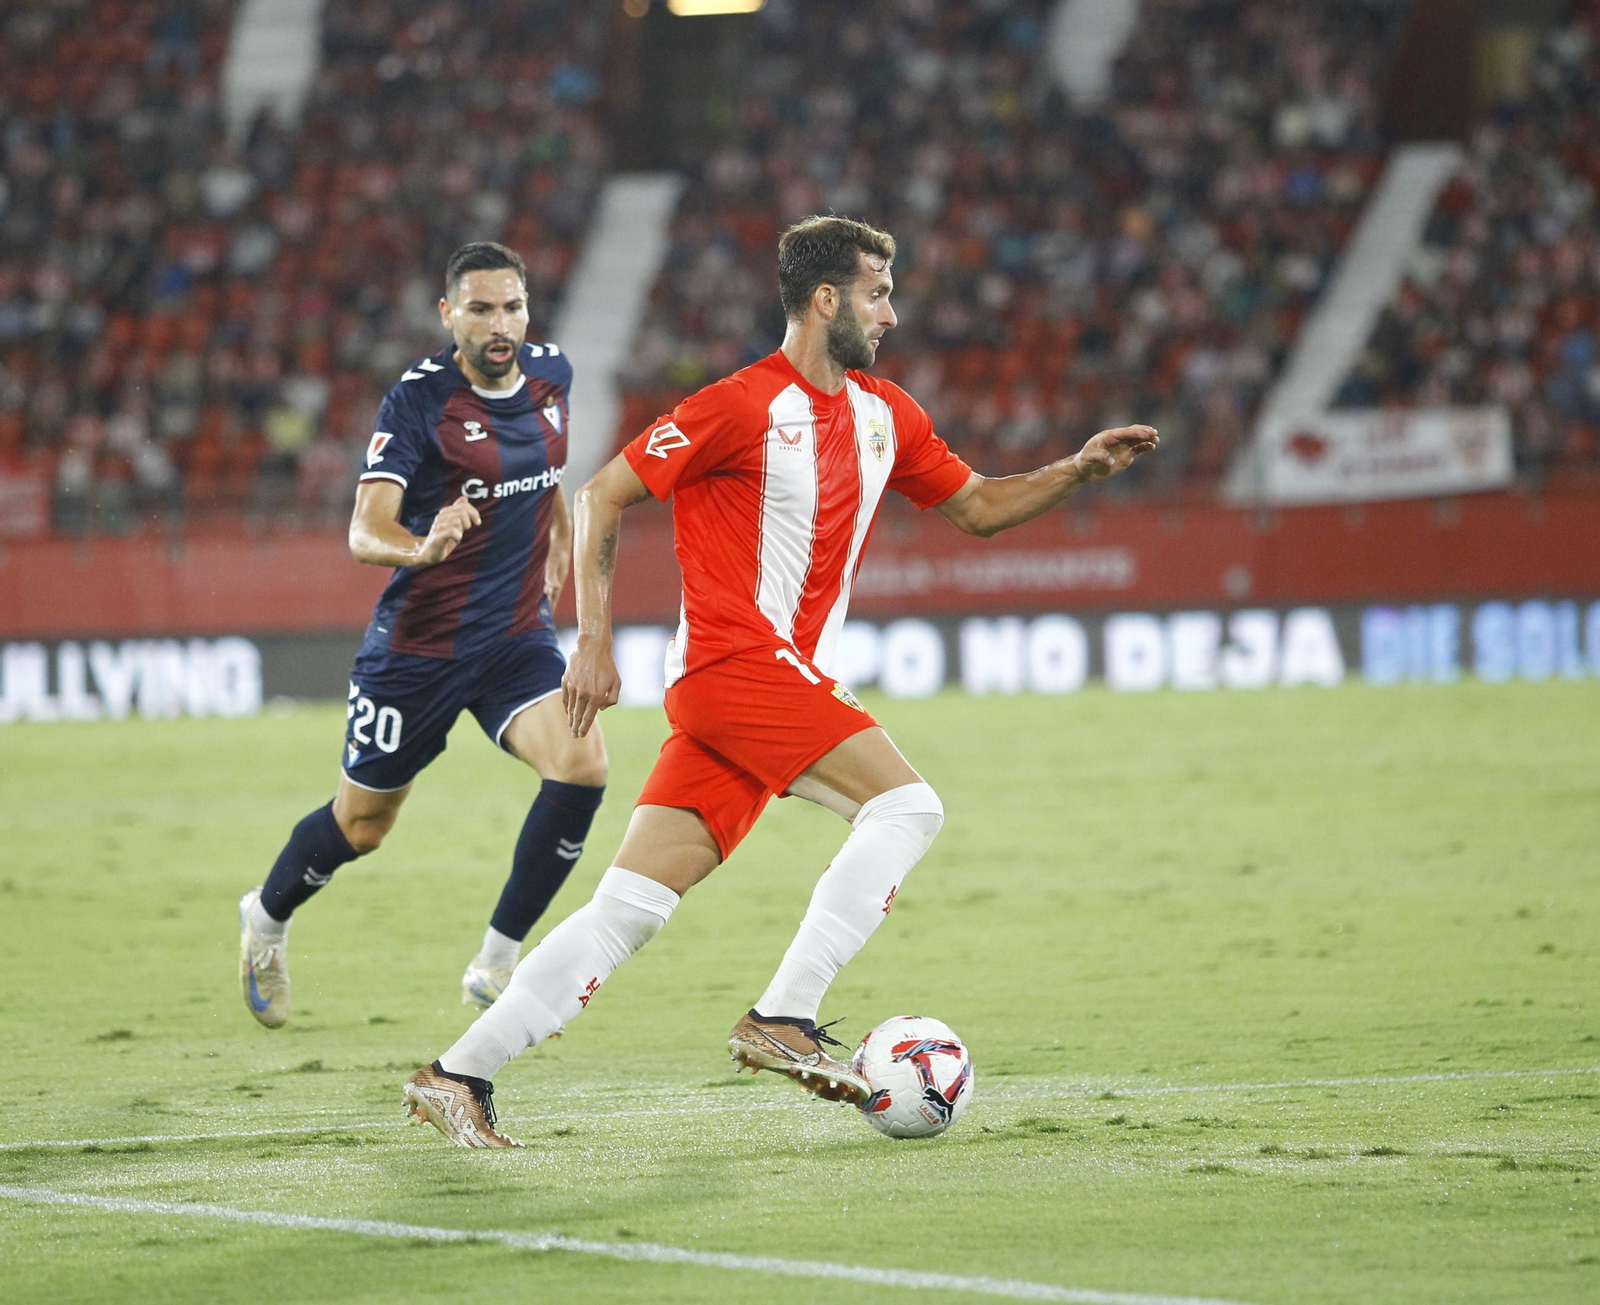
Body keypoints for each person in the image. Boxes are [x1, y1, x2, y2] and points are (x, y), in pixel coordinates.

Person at [401, 216, 1155, 1146]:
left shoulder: (887, 414)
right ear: (826, 299)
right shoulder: (738, 405)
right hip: (737, 665)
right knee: (907, 808)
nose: (892, 313)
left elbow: (978, 505)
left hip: (758, 690)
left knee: (628, 909)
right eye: (878, 293)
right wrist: (591, 641)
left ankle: (458, 1072)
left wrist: (1077, 470)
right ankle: (784, 1013)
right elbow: (600, 494)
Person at [238, 242, 608, 1029]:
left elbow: (546, 470)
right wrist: (423, 544)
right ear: (448, 315)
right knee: (362, 826)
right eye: (480, 309)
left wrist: (560, 535)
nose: (499, 324)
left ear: (528, 310)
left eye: (512, 306)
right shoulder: (419, 400)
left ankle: (496, 962)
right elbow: (365, 530)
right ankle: (265, 919)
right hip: (418, 649)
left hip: (515, 638)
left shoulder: (554, 374)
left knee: (581, 765)